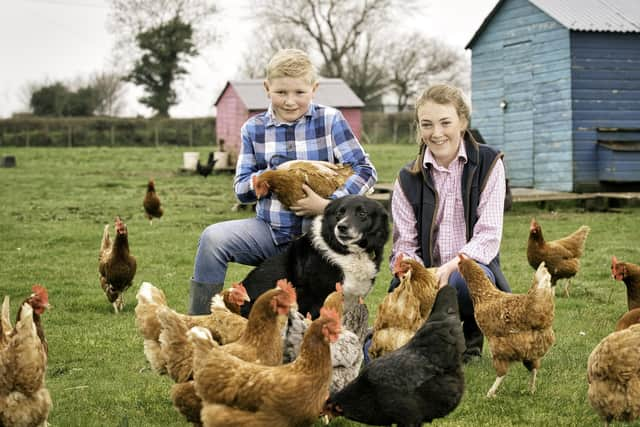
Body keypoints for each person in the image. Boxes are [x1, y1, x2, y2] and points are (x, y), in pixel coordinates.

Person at [188, 48, 377, 315]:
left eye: (299, 93)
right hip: (269, 230)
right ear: (267, 89)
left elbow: (366, 170)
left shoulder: (329, 120)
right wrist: (267, 179)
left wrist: (328, 206)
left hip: (319, 237)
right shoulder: (253, 129)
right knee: (212, 239)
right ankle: (200, 323)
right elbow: (241, 190)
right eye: (281, 93)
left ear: (314, 88)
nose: (290, 101)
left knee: (319, 307)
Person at [388, 83, 510, 363]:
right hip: (427, 272)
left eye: (445, 122)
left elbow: (488, 236)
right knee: (404, 296)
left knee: (461, 281)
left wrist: (448, 268)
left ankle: (470, 337)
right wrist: (415, 272)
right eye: (427, 124)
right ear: (419, 128)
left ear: (463, 122)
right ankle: (432, 338)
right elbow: (405, 242)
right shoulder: (407, 177)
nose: (437, 133)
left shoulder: (490, 162)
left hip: (469, 267)